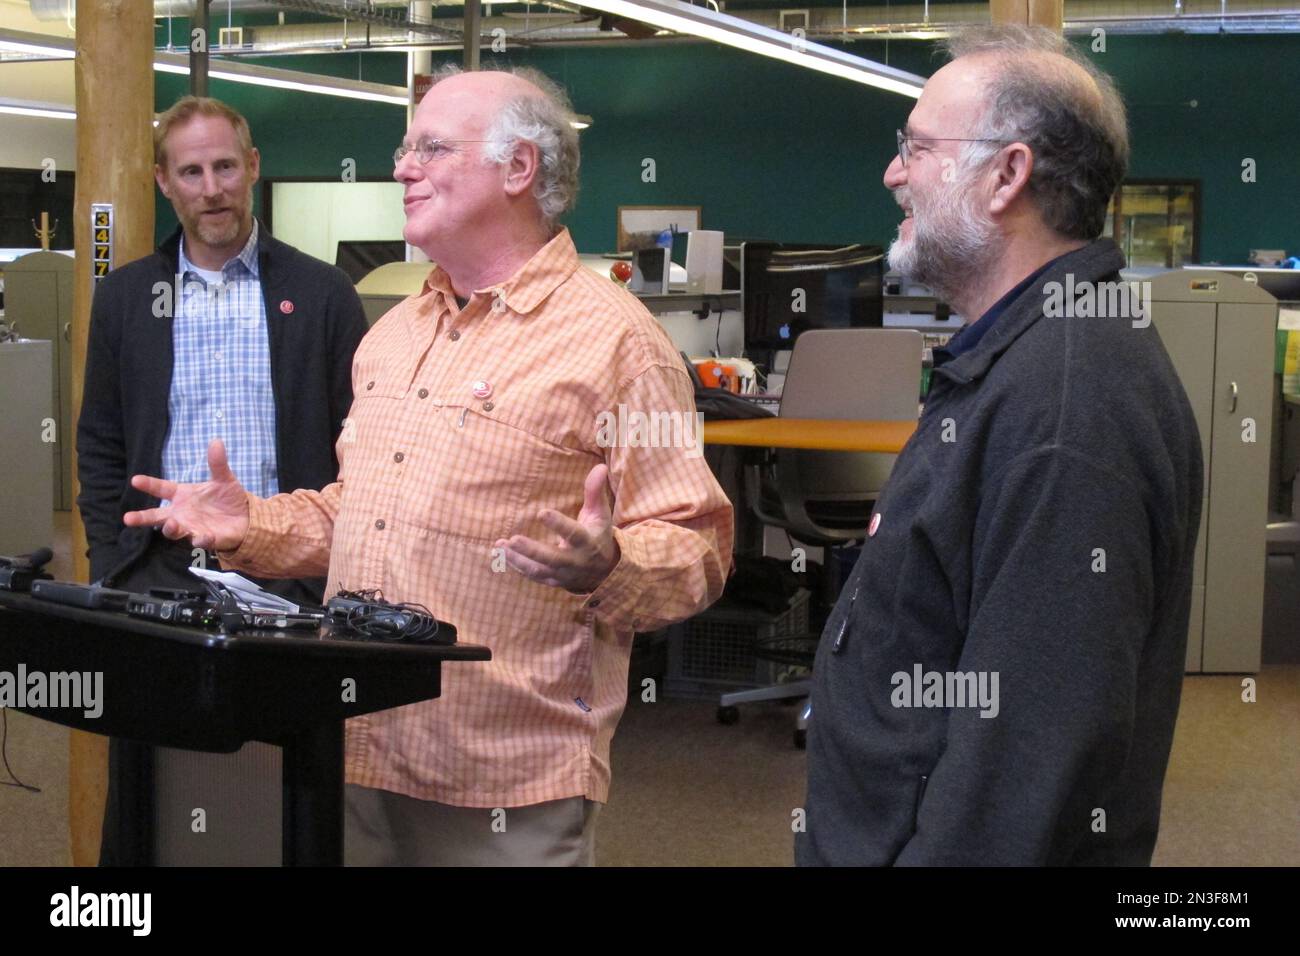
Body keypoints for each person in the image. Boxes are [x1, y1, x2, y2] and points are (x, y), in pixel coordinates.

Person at [121, 67, 734, 866]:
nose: (403, 168)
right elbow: (360, 516)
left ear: (519, 169)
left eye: (431, 148)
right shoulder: (395, 335)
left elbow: (699, 547)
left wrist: (609, 564)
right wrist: (255, 524)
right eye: (404, 148)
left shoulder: (620, 346)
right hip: (355, 744)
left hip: (501, 783)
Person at [796, 26, 1203, 865]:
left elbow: (1024, 772)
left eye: (914, 147)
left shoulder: (1066, 402)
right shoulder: (1024, 359)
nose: (893, 173)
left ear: (1007, 175)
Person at [77, 95, 368, 864]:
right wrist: (113, 563)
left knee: (291, 782)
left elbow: (357, 445)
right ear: (164, 183)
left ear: (253, 169)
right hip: (156, 578)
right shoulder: (127, 298)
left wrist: (324, 565)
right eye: (192, 171)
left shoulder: (324, 295)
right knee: (148, 786)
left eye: (225, 166)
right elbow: (100, 445)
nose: (212, 187)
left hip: (288, 576)